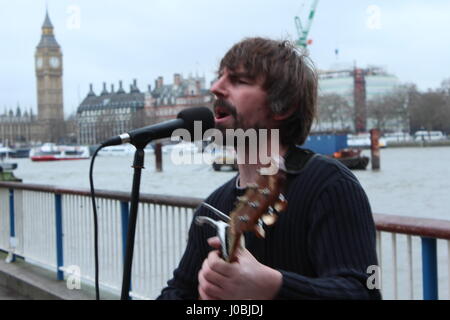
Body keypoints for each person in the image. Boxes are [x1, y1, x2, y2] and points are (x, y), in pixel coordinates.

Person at [157, 37, 381, 300]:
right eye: (219, 78)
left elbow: (363, 291)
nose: (216, 88)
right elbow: (178, 292)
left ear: (284, 106)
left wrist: (274, 287)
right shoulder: (211, 207)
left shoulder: (331, 185)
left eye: (239, 81)